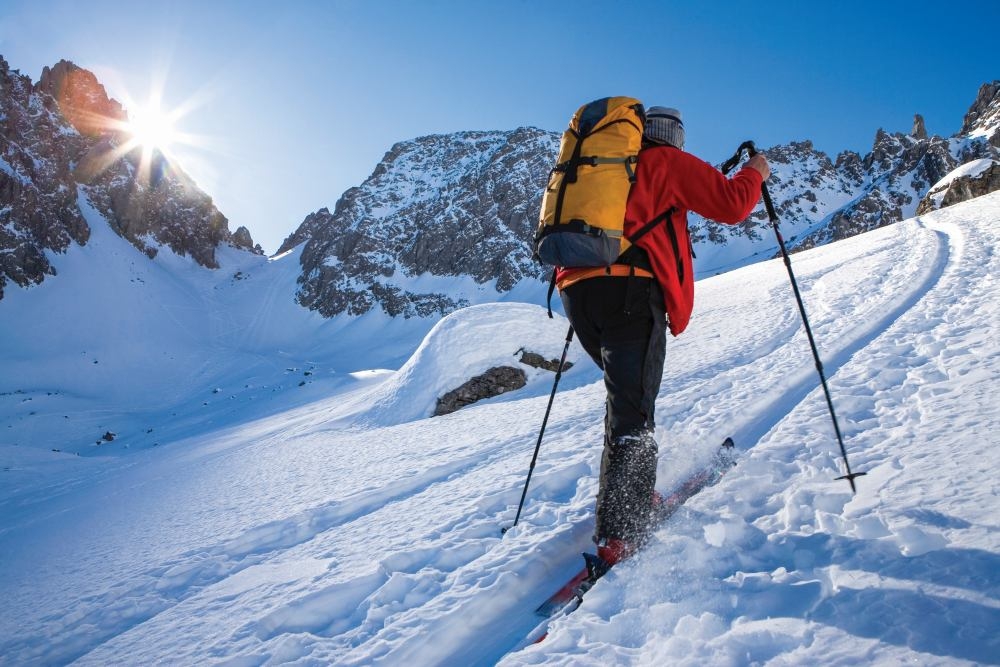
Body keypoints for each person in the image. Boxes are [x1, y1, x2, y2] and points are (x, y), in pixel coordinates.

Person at [556, 106, 770, 568]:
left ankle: (629, 498)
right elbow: (732, 204)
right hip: (630, 293)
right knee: (633, 412)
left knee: (626, 403)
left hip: (578, 292)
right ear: (672, 136)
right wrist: (756, 171)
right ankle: (622, 531)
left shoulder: (604, 172)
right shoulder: (665, 162)